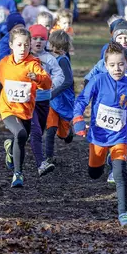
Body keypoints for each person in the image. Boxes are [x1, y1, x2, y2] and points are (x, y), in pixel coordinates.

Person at [73, 42, 127, 226]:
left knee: (120, 172)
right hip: (98, 136)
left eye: (121, 64)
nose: (117, 68)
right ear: (105, 65)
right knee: (94, 173)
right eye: (112, 65)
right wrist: (78, 119)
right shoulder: (98, 81)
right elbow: (82, 100)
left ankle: (124, 213)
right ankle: (102, 162)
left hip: (119, 136)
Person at [0, 27, 51, 188]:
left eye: (26, 45)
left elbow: (47, 82)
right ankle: (18, 173)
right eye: (19, 45)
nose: (23, 49)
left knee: (20, 139)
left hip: (26, 111)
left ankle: (9, 148)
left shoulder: (33, 65)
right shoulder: (5, 64)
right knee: (21, 134)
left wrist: (37, 78)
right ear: (11, 45)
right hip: (8, 109)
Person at [27, 24, 64, 177]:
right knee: (35, 131)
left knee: (40, 130)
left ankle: (13, 146)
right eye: (35, 38)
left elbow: (60, 75)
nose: (38, 42)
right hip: (27, 101)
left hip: (44, 100)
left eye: (42, 39)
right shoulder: (25, 57)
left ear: (47, 41)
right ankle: (41, 163)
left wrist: (51, 84)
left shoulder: (49, 59)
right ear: (29, 40)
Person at [44, 29, 75, 169]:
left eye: (63, 47)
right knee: (50, 130)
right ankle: (48, 158)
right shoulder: (51, 58)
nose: (59, 50)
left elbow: (68, 81)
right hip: (52, 101)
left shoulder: (62, 60)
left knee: (62, 134)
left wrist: (54, 93)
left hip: (62, 99)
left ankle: (68, 133)